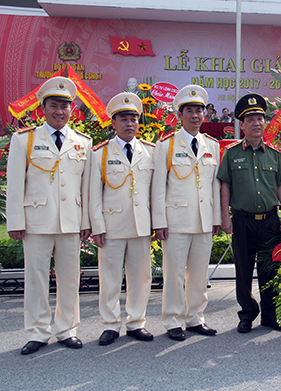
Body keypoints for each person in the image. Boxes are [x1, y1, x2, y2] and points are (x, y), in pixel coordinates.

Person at [7, 77, 92, 354]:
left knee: (69, 278)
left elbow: (87, 187)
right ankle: (38, 331)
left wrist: (86, 222)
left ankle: (67, 329)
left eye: (65, 106)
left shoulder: (82, 142)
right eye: (54, 105)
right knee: (36, 278)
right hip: (36, 221)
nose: (59, 111)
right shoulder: (25, 140)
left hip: (70, 220)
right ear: (43, 108)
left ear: (72, 109)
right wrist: (15, 221)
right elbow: (15, 183)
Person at [152, 85, 221, 341]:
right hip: (176, 221)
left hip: (204, 220)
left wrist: (216, 219)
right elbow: (158, 187)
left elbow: (214, 185)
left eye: (199, 110)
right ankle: (172, 320)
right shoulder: (167, 145)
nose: (195, 115)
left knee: (200, 273)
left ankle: (195, 318)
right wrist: (159, 221)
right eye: (189, 111)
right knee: (174, 273)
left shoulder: (211, 146)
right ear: (179, 115)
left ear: (205, 114)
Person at [217, 93, 281, 333]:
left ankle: (270, 315)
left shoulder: (275, 155)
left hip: (269, 220)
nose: (256, 122)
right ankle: (247, 313)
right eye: (250, 119)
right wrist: (225, 216)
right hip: (242, 220)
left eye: (260, 117)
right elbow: (225, 184)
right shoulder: (232, 153)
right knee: (244, 270)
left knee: (271, 269)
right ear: (241, 124)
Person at [89, 93, 155, 345]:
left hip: (141, 224)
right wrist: (97, 225)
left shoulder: (150, 152)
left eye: (134, 119)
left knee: (141, 275)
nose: (129, 124)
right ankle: (110, 324)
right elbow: (94, 194)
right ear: (113, 123)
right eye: (123, 119)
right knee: (110, 277)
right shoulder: (101, 153)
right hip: (112, 225)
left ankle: (136, 322)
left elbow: (156, 192)